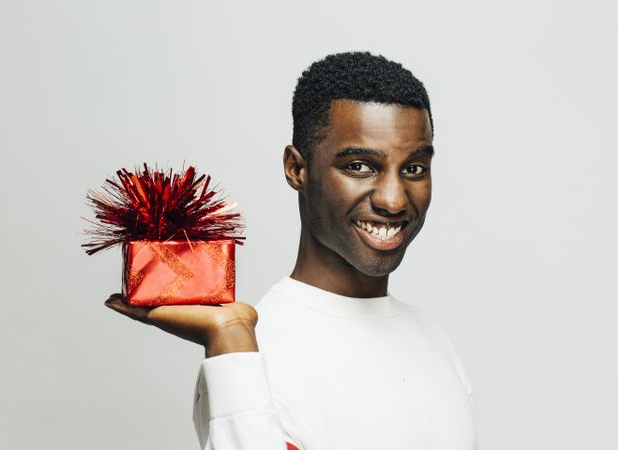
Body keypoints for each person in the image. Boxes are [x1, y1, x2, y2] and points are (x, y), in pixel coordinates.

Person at [104, 51, 478, 450]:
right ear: (297, 169)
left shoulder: (434, 340)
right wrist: (230, 340)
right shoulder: (249, 358)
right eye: (359, 166)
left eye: (414, 169)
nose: (393, 199)